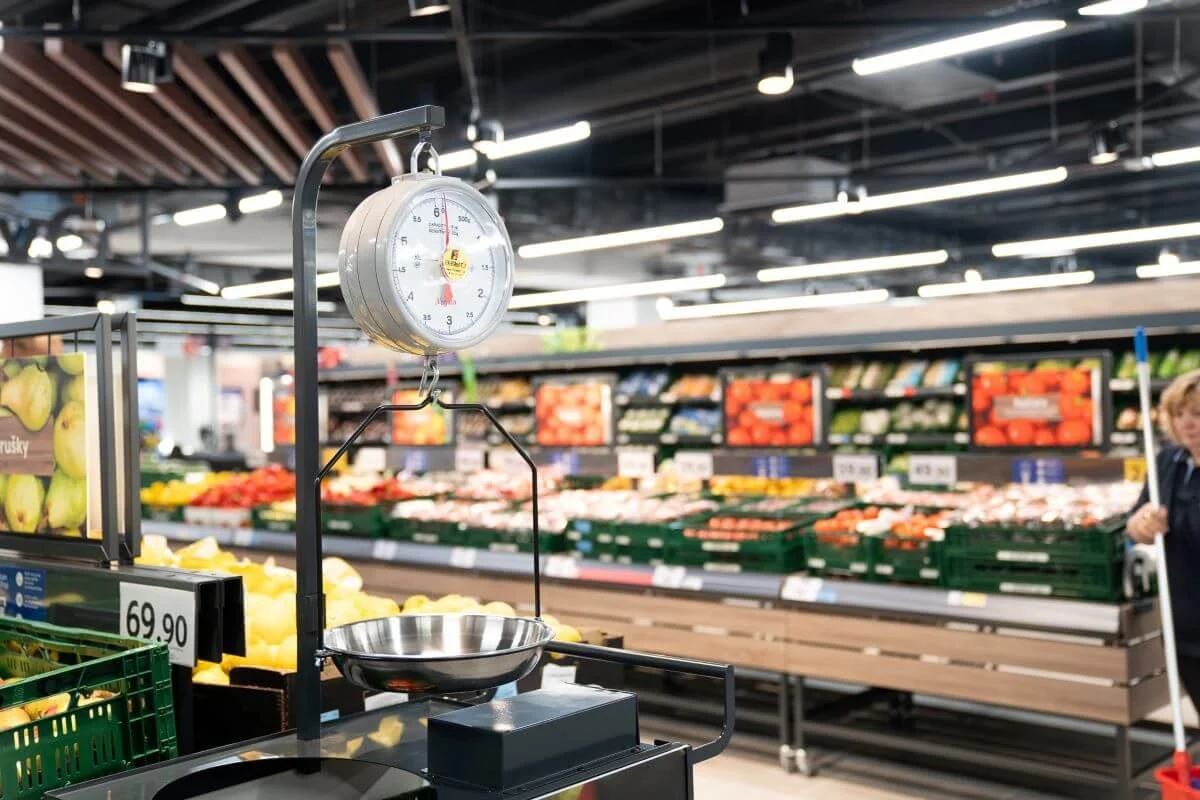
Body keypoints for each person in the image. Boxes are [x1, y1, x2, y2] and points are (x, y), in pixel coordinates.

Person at [1127, 368, 1200, 706]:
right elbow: (1135, 523)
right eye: (1178, 414)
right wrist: (1141, 523)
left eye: (1198, 413)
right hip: (1183, 621)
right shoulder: (1168, 462)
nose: (1187, 423)